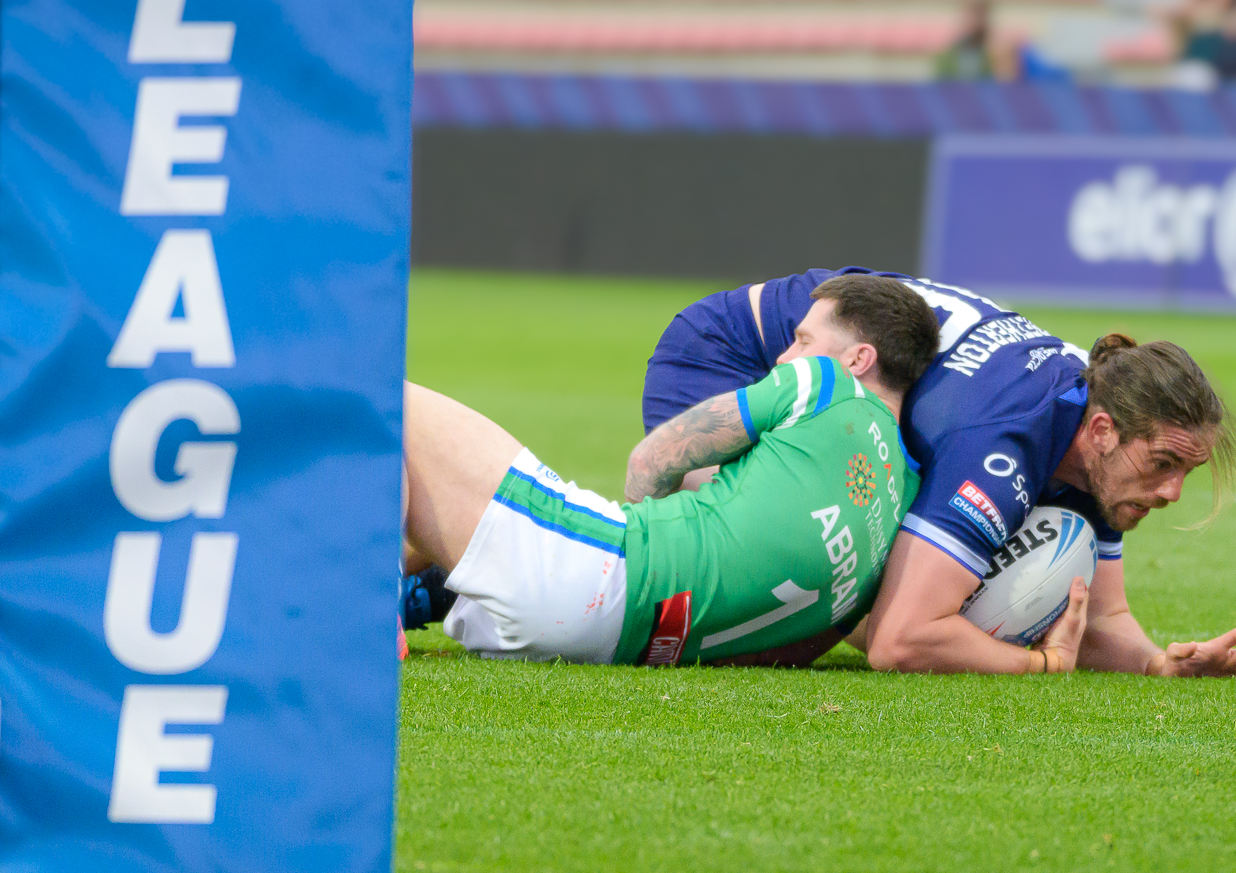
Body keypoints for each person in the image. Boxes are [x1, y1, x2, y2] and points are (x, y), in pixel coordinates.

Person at [640, 268, 1236, 679]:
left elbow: (1103, 618)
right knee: (818, 589)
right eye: (1163, 464)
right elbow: (899, 642)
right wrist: (1038, 664)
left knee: (847, 587)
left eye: (1186, 471)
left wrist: (1158, 666)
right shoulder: (1003, 442)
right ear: (1103, 432)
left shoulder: (1097, 424)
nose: (1172, 492)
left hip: (845, 367)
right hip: (730, 356)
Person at [401, 274, 948, 667]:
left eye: (804, 340)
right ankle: (424, 592)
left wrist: (640, 543)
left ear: (858, 359)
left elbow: (653, 458)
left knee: (392, 406)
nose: (784, 357)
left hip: (595, 573)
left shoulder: (824, 385)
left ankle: (365, 606)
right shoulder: (903, 500)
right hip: (615, 646)